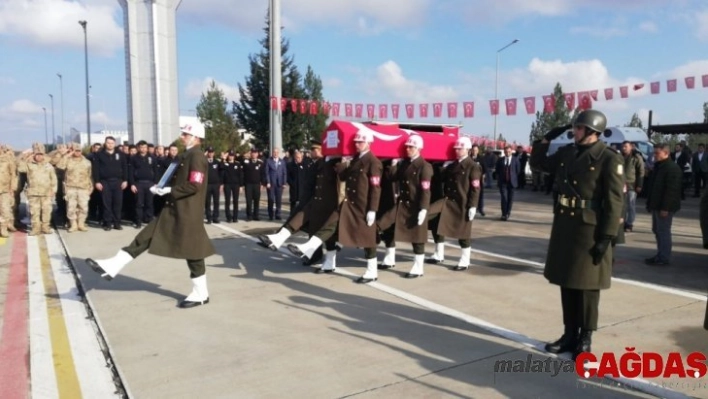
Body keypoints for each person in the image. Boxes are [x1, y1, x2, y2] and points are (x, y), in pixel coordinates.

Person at [85, 122, 216, 309]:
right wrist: (162, 187)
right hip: (176, 209)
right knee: (146, 237)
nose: (182, 137)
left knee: (193, 252)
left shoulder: (196, 156)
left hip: (186, 211)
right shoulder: (187, 155)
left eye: (186, 134)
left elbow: (194, 185)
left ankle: (201, 293)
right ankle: (114, 265)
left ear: (195, 137)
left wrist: (169, 190)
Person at [529, 109, 624, 360]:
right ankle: (569, 334)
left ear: (592, 132)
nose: (574, 132)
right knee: (567, 282)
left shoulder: (608, 158)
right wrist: (544, 140)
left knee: (588, 288)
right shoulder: (566, 153)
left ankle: (585, 338)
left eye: (579, 128)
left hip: (590, 230)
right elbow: (538, 164)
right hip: (566, 226)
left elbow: (615, 201)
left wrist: (607, 237)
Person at [287, 131, 383, 283]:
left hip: (363, 206)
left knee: (367, 238)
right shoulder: (355, 159)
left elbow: (376, 188)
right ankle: (324, 258)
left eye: (360, 142)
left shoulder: (373, 162)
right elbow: (344, 177)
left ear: (368, 143)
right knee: (330, 226)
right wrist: (341, 163)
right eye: (356, 142)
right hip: (348, 203)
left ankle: (372, 271)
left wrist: (372, 209)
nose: (357, 144)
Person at [258, 140, 337, 268]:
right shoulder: (315, 164)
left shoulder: (326, 164)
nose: (311, 152)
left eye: (314, 149)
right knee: (310, 227)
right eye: (312, 149)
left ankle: (318, 256)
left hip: (322, 203)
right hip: (311, 200)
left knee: (323, 231)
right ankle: (280, 240)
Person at [375, 135, 433, 278]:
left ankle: (418, 267)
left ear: (418, 148)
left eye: (411, 147)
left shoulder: (424, 166)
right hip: (402, 204)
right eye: (407, 146)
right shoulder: (405, 164)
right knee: (382, 224)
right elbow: (392, 177)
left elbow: (425, 189)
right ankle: (389, 256)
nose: (408, 149)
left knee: (417, 236)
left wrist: (424, 209)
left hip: (415, 205)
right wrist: (394, 164)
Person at [424, 136, 482, 270]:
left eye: (460, 149)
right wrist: (439, 165)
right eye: (456, 148)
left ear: (467, 149)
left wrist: (473, 206)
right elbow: (440, 178)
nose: (457, 151)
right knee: (433, 220)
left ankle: (465, 260)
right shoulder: (453, 165)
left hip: (462, 203)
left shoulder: (473, 166)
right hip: (447, 201)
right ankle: (439, 254)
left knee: (463, 232)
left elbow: (475, 188)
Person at [644, 143, 682, 266]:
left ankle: (664, 257)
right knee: (657, 230)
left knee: (663, 231)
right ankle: (660, 254)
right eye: (654, 153)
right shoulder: (658, 167)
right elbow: (653, 187)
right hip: (656, 205)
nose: (654, 156)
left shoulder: (672, 168)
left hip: (664, 207)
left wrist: (665, 208)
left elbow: (672, 190)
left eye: (657, 153)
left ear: (666, 153)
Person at [18, 143, 57, 236]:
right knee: (34, 212)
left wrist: (53, 190)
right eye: (37, 154)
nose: (39, 156)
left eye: (41, 154)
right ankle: (35, 229)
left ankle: (45, 227)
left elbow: (53, 179)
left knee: (46, 211)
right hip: (33, 193)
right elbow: (19, 167)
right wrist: (24, 155)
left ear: (44, 155)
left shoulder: (48, 166)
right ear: (34, 155)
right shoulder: (28, 165)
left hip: (46, 193)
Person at [92, 136, 128, 231]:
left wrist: (125, 180)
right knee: (106, 203)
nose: (110, 145)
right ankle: (107, 223)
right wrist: (97, 182)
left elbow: (125, 168)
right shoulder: (99, 154)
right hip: (105, 182)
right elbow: (95, 169)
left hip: (118, 181)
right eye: (108, 143)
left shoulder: (120, 154)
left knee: (118, 203)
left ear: (115, 144)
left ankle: (117, 223)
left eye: (112, 143)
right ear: (105, 143)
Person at [56, 143, 93, 232]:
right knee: (71, 207)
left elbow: (89, 175)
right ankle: (73, 224)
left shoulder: (87, 162)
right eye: (75, 151)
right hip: (70, 187)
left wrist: (90, 186)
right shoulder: (68, 160)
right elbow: (59, 166)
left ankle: (81, 223)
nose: (77, 152)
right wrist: (67, 155)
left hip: (83, 188)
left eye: (79, 150)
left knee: (83, 207)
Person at [129, 140, 157, 228]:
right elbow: (131, 172)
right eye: (141, 147)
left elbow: (156, 171)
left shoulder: (152, 158)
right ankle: (138, 222)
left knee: (149, 203)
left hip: (150, 183)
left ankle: (149, 220)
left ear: (147, 148)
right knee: (139, 204)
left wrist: (155, 183)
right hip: (138, 183)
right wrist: (132, 184)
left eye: (145, 147)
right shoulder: (134, 158)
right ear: (138, 148)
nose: (143, 149)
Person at [620, 141, 644, 232]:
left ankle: (629, 224)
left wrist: (639, 185)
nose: (624, 148)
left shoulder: (636, 157)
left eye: (626, 146)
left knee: (631, 205)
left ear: (631, 147)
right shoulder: (619, 157)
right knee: (622, 205)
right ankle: (622, 222)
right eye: (622, 146)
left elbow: (641, 172)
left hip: (631, 185)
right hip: (621, 184)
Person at [496, 145, 520, 221]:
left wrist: (513, 177)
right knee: (504, 198)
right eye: (506, 152)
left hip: (512, 182)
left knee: (510, 199)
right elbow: (497, 170)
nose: (507, 153)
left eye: (509, 151)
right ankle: (503, 214)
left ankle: (508, 213)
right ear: (504, 152)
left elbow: (518, 171)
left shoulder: (515, 160)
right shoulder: (500, 160)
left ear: (511, 151)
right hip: (503, 183)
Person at [0, 145, 18, 237]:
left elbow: (13, 175)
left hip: (5, 189)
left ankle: (3, 228)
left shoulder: (8, 159)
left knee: (5, 209)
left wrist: (12, 188)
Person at [265, 148, 287, 220]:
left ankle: (278, 214)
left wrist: (284, 183)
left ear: (279, 153)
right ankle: (271, 215)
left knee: (278, 200)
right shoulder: (268, 161)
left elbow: (284, 173)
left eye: (277, 152)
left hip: (279, 184)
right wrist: (268, 182)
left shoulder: (282, 161)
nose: (275, 153)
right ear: (272, 153)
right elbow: (267, 173)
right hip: (271, 184)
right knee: (271, 199)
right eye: (274, 152)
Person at [242, 149, 264, 221]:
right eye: (252, 153)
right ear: (251, 154)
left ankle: (256, 215)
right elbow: (243, 173)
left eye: (255, 153)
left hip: (257, 184)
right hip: (248, 184)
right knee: (249, 201)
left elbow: (262, 174)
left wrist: (262, 184)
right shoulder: (246, 162)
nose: (254, 154)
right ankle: (249, 215)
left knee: (256, 200)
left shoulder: (260, 163)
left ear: (257, 154)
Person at [222, 151, 243, 223]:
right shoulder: (225, 163)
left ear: (234, 156)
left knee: (235, 201)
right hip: (227, 184)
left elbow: (240, 175)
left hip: (236, 185)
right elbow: (221, 167)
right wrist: (223, 159)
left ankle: (235, 217)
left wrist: (241, 186)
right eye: (230, 156)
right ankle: (228, 217)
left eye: (232, 156)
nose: (231, 157)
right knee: (227, 201)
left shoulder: (237, 164)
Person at [204, 147, 222, 224]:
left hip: (215, 185)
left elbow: (221, 172)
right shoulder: (204, 162)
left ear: (214, 153)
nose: (210, 154)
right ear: (207, 153)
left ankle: (215, 217)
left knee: (216, 201)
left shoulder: (217, 162)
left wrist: (220, 183)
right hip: (207, 184)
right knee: (207, 202)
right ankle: (209, 217)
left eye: (212, 152)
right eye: (209, 152)